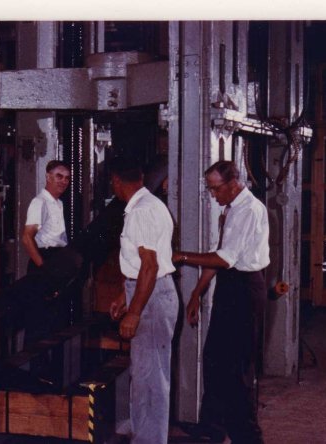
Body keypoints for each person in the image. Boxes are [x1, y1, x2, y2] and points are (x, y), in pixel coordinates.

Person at [173, 160, 269, 444]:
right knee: (214, 359)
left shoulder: (248, 210)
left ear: (233, 183)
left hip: (244, 289)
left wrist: (182, 256)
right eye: (210, 189)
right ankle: (212, 429)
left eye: (216, 189)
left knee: (237, 368)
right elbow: (219, 254)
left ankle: (248, 438)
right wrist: (196, 293)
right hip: (230, 286)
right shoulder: (231, 209)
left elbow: (224, 259)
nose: (213, 196)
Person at [108, 156, 178, 444]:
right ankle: (142, 428)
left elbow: (149, 266)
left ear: (116, 181)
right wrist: (125, 296)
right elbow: (143, 266)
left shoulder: (141, 212)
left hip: (152, 299)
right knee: (144, 372)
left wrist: (134, 312)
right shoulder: (150, 205)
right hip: (149, 292)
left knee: (151, 378)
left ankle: (149, 439)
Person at [19, 160, 71, 344]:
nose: (63, 181)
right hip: (43, 262)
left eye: (67, 178)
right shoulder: (39, 202)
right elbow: (27, 238)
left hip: (56, 261)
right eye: (59, 176)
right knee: (38, 323)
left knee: (54, 323)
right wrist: (45, 269)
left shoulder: (58, 203)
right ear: (48, 177)